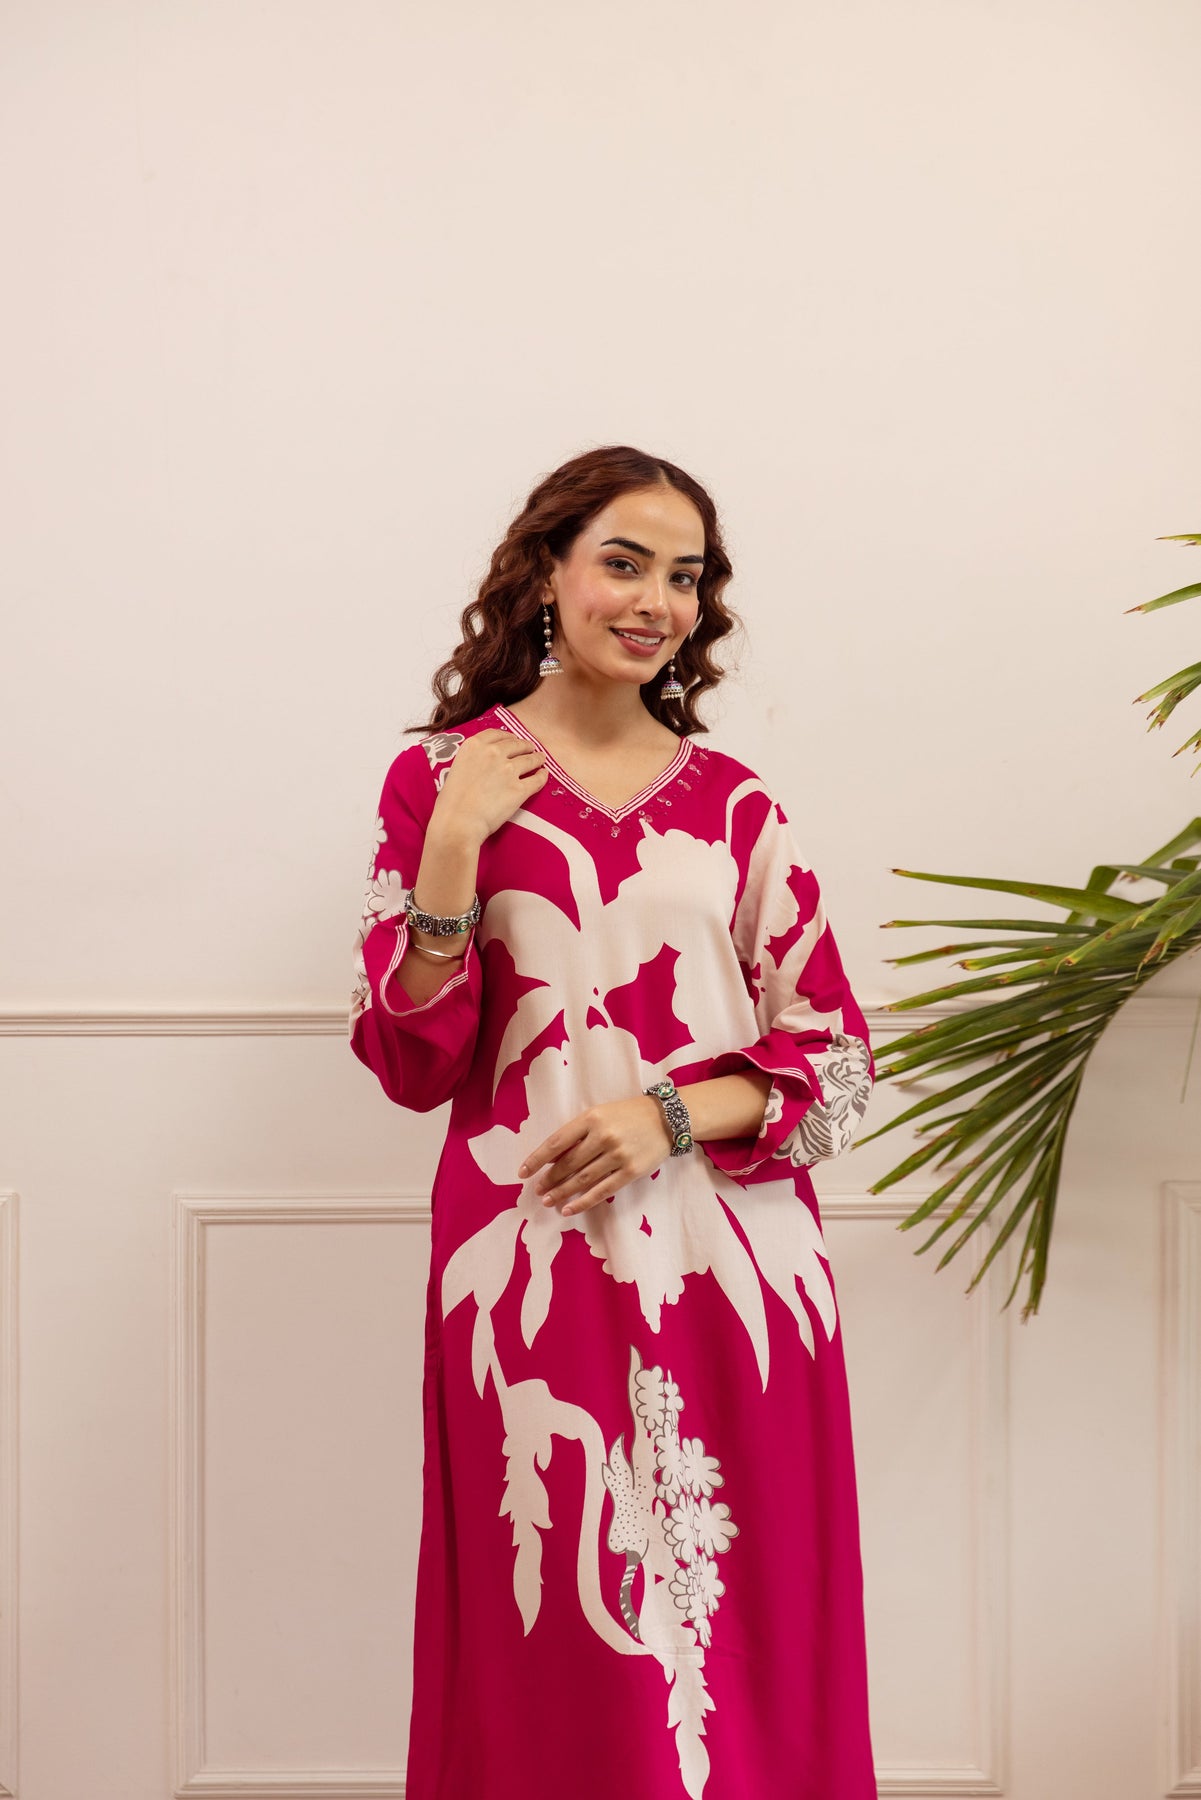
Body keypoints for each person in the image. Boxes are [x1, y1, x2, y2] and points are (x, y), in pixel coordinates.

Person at [349, 444, 877, 1799]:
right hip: (531, 1262)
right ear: (546, 573)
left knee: (746, 1608)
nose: (655, 603)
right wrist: (454, 846)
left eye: (683, 577)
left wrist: (667, 1115)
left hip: (731, 1262)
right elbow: (411, 1061)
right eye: (624, 564)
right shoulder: (439, 781)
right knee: (551, 1594)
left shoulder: (738, 804)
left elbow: (836, 1059)